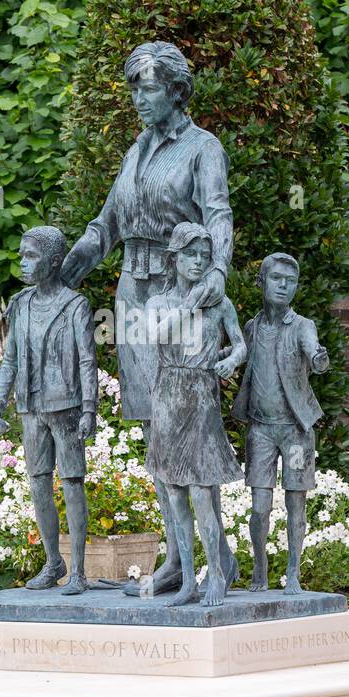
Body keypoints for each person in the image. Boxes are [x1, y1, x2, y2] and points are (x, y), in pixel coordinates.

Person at [61, 40, 237, 593]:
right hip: (133, 296)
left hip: (178, 292)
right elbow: (105, 226)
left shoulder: (202, 148)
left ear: (177, 91)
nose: (139, 98)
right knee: (153, 428)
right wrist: (65, 274)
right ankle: (180, 559)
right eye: (134, 88)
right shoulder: (135, 150)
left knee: (186, 426)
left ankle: (213, 560)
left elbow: (218, 214)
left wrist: (217, 272)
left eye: (150, 88)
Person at [141, 224, 247, 608]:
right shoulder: (158, 302)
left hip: (201, 396)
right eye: (190, 254)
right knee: (174, 494)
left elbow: (241, 344)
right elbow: (156, 336)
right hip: (168, 396)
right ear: (175, 258)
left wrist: (232, 360)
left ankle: (216, 574)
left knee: (202, 492)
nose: (198, 262)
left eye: (205, 256)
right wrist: (189, 305)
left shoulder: (220, 303)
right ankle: (187, 579)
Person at [0, 226, 97, 595]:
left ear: (54, 262)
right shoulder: (20, 305)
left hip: (66, 406)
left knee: (72, 484)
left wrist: (89, 408)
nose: (22, 262)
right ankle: (53, 562)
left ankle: (78, 570)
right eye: (21, 255)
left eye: (30, 256)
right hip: (30, 407)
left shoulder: (75, 305)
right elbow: (10, 360)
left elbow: (87, 360)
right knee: (38, 485)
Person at [232, 252, 329, 596]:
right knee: (259, 508)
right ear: (261, 282)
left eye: (291, 281)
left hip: (295, 433)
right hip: (260, 430)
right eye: (276, 279)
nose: (284, 286)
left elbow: (313, 351)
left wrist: (318, 357)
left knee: (295, 503)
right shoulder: (251, 327)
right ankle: (259, 570)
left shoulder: (303, 326)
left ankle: (293, 572)